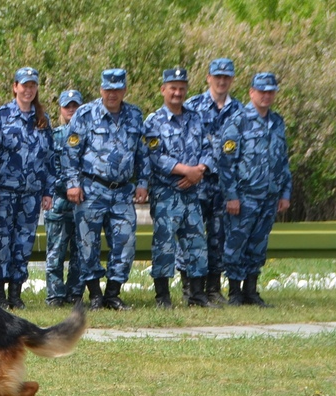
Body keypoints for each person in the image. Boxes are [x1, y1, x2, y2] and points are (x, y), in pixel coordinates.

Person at [61, 68, 147, 310]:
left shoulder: (134, 115)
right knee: (87, 244)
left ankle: (113, 293)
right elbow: (70, 152)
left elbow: (142, 153)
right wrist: (73, 184)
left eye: (117, 89)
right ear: (101, 89)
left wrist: (142, 182)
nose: (113, 93)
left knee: (126, 242)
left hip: (122, 191)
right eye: (108, 89)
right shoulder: (85, 114)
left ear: (124, 90)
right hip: (91, 189)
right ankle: (95, 294)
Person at [143, 67, 214, 308]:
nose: (177, 92)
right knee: (164, 245)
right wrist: (186, 170)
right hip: (166, 193)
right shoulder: (153, 121)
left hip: (192, 192)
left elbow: (208, 148)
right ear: (163, 90)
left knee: (196, 243)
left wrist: (200, 171)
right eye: (172, 88)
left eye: (182, 88)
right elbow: (154, 156)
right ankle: (163, 297)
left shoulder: (196, 118)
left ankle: (196, 295)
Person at [219, 72, 290, 307]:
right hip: (244, 196)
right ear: (251, 93)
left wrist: (285, 193)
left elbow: (283, 160)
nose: (266, 96)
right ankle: (235, 292)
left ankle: (251, 290)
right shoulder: (238, 121)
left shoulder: (277, 122)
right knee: (236, 243)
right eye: (261, 91)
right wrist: (231, 196)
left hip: (269, 196)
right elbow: (226, 162)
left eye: (270, 92)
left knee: (258, 244)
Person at [0, 67, 53, 309]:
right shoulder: (1, 116)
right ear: (15, 86)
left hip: (31, 194)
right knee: (1, 242)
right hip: (3, 192)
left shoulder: (42, 120)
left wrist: (48, 191)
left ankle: (16, 293)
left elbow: (49, 158)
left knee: (24, 243)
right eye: (24, 85)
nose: (28, 90)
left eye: (32, 85)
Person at [184, 58, 241, 304]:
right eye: (217, 76)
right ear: (208, 78)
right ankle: (190, 287)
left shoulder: (240, 111)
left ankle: (213, 289)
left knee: (219, 237)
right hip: (196, 181)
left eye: (226, 77)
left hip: (225, 184)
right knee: (191, 235)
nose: (221, 81)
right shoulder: (192, 106)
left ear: (231, 80)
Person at [45, 89, 84, 307]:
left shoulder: (88, 134)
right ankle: (55, 295)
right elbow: (51, 168)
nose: (71, 110)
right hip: (59, 202)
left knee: (81, 251)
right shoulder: (54, 135)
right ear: (60, 109)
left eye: (75, 106)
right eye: (67, 106)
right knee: (55, 252)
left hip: (82, 202)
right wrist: (69, 186)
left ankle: (75, 293)